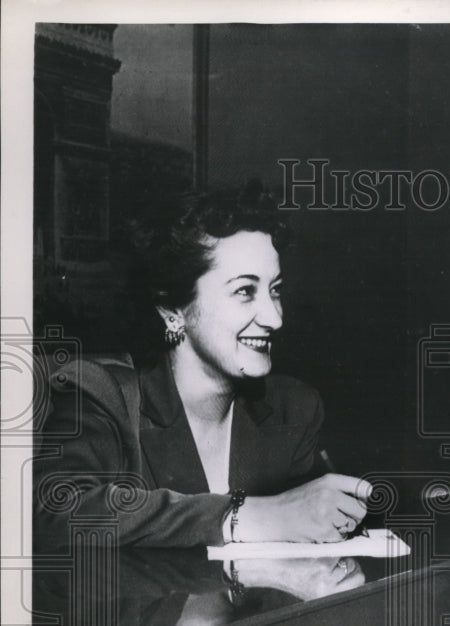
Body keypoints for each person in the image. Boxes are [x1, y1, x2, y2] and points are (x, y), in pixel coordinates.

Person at [35, 181, 372, 548]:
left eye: (275, 289)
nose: (274, 318)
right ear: (173, 310)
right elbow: (51, 512)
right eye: (245, 291)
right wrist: (248, 517)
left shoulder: (294, 410)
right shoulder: (103, 398)